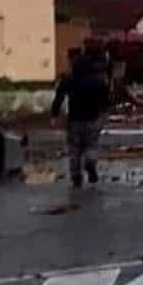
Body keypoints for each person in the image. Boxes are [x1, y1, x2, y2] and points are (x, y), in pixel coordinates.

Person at [51, 50, 110, 189]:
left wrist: (54, 116)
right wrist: (104, 116)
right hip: (93, 118)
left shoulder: (68, 80)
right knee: (91, 145)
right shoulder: (98, 81)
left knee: (74, 149)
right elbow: (106, 101)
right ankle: (90, 161)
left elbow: (58, 98)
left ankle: (76, 177)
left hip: (74, 119)